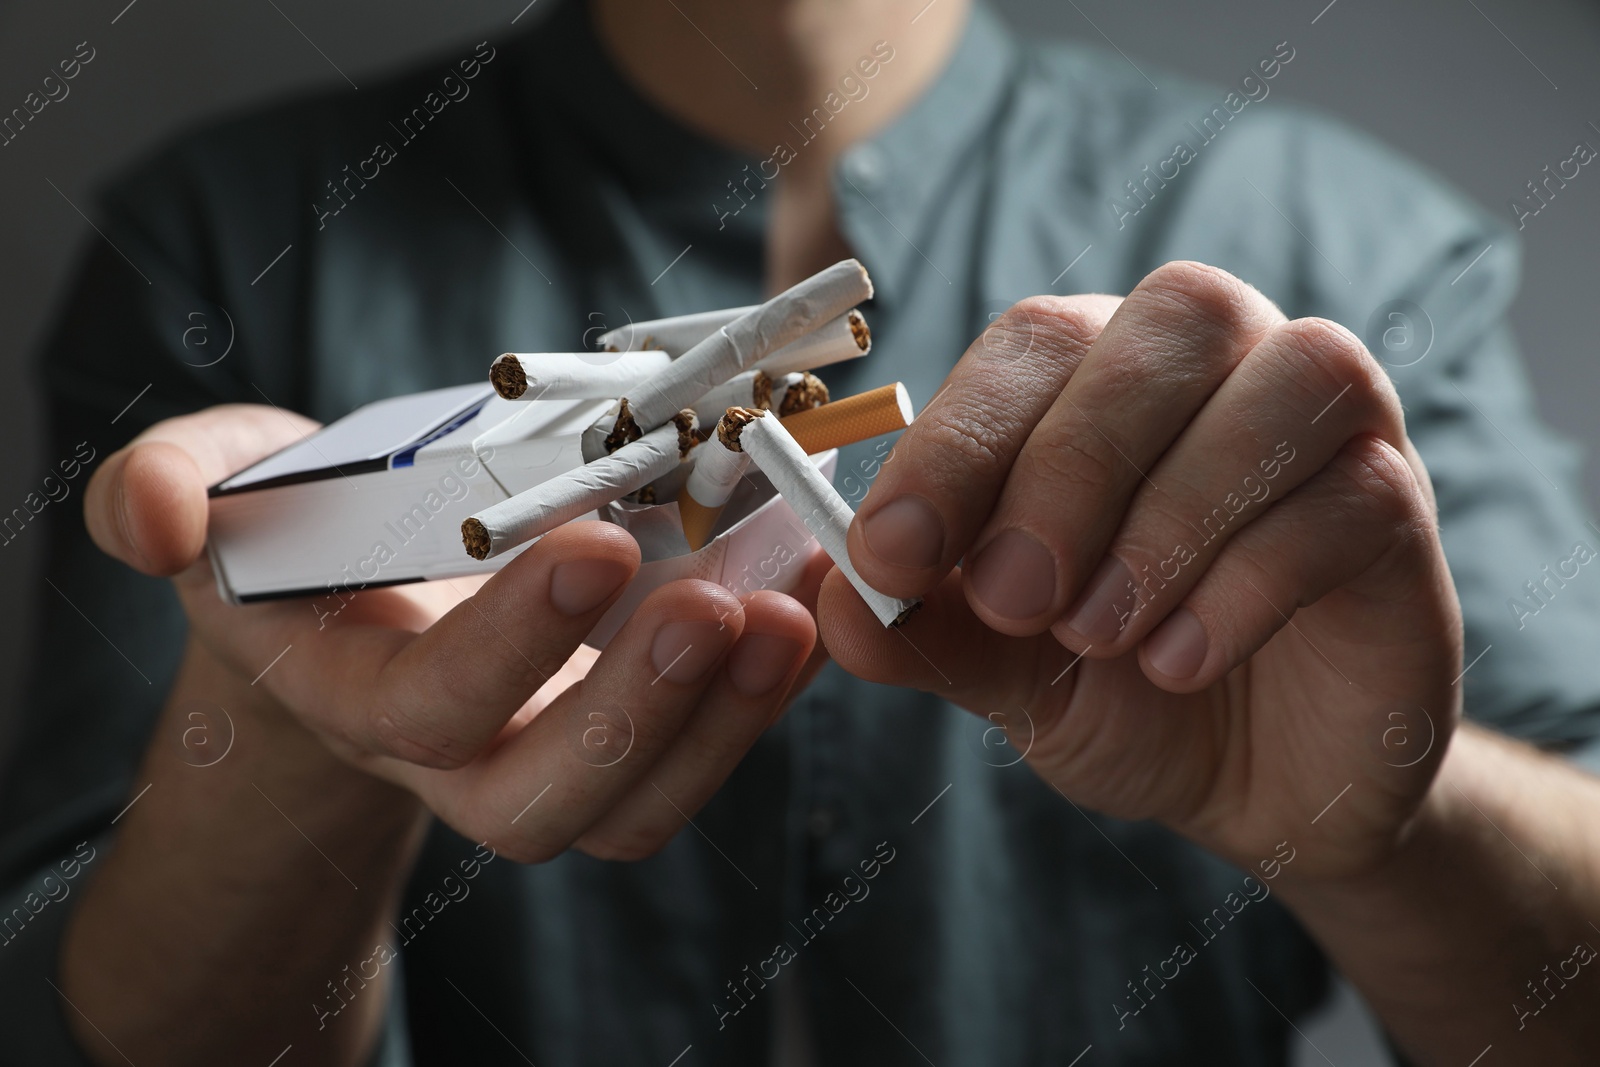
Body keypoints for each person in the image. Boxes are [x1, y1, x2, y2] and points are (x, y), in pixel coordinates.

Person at [4, 0, 1600, 1062]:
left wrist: (1397, 823)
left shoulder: (1344, 251)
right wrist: (284, 754)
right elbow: (68, 1008)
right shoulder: (232, 238)